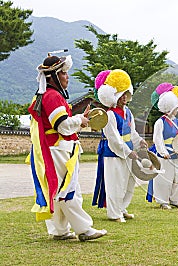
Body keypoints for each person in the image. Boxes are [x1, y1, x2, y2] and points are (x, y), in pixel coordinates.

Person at [28, 53, 107, 241]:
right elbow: (62, 126)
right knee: (68, 190)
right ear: (53, 76)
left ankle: (60, 230)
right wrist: (80, 119)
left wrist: (80, 121)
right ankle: (84, 229)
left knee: (57, 190)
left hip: (53, 148)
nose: (67, 76)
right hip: (58, 148)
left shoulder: (45, 95)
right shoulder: (53, 96)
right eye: (63, 73)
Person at [92, 69, 147, 222]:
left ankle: (122, 208)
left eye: (126, 94)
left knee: (129, 182)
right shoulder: (109, 114)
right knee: (115, 183)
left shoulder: (128, 112)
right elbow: (113, 138)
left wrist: (139, 141)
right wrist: (128, 151)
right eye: (121, 94)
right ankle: (114, 213)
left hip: (129, 151)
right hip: (113, 153)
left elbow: (132, 131)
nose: (124, 97)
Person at [148, 83, 178, 209]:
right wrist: (162, 151)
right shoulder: (160, 122)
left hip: (176, 153)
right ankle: (163, 201)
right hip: (165, 155)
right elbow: (157, 139)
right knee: (164, 178)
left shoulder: (177, 121)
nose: (177, 110)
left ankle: (175, 199)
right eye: (176, 107)